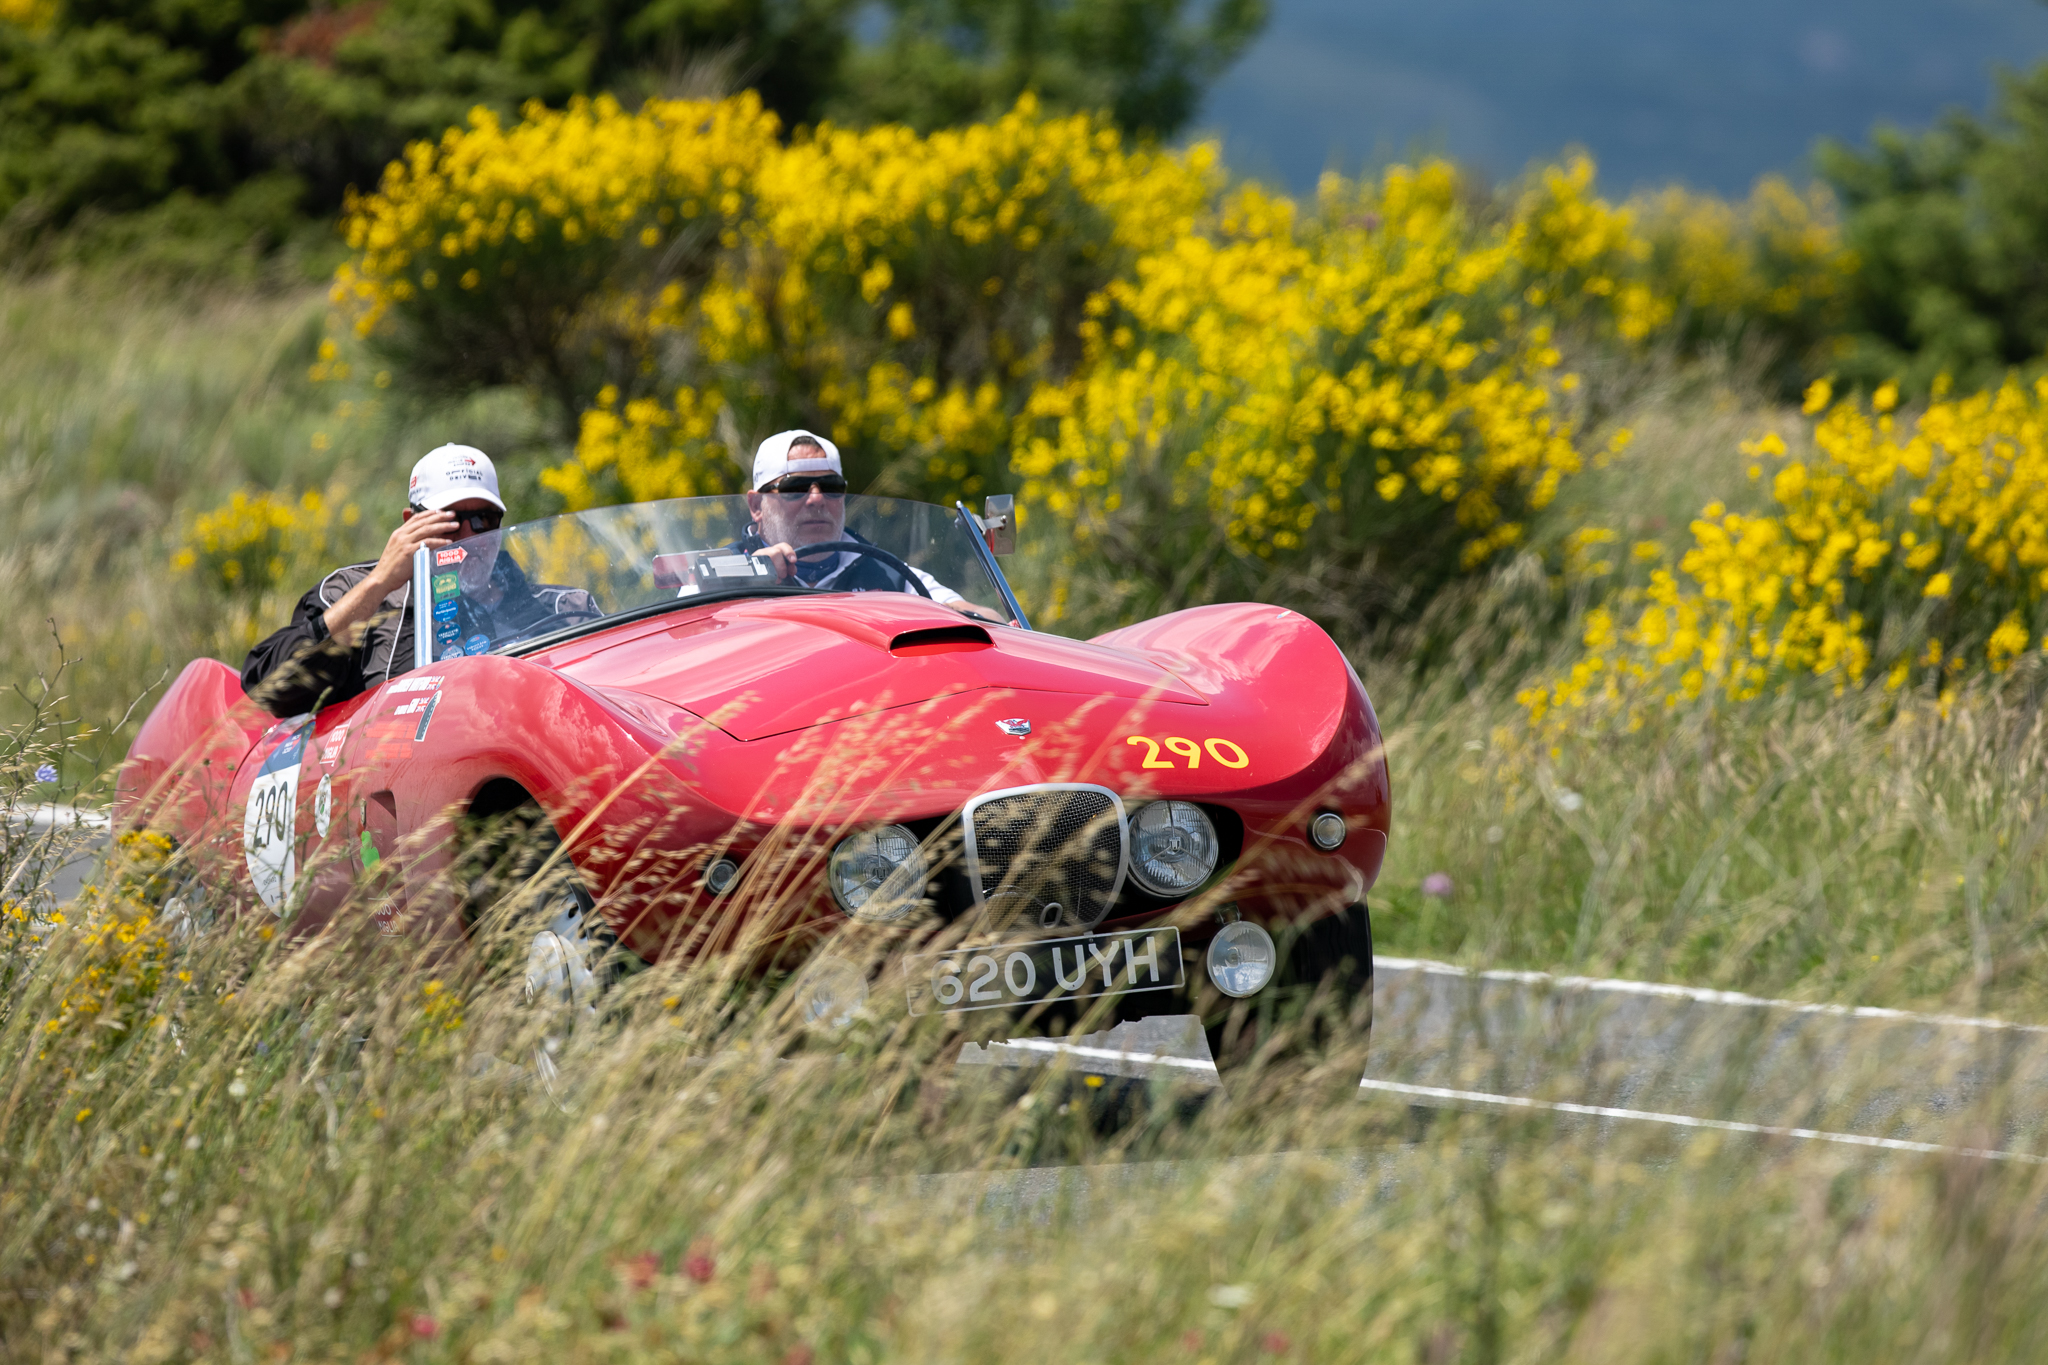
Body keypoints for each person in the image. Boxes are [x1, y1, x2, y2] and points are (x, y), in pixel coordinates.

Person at [241, 445, 595, 717]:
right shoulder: (352, 589)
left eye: (485, 518)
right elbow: (269, 687)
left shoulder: (563, 608)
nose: (470, 534)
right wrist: (381, 581)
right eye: (451, 520)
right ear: (410, 522)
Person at [736, 430, 980, 608]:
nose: (817, 499)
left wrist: (965, 617)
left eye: (831, 486)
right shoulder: (719, 574)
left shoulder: (888, 573)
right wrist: (743, 582)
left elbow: (976, 615)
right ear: (757, 505)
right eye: (796, 487)